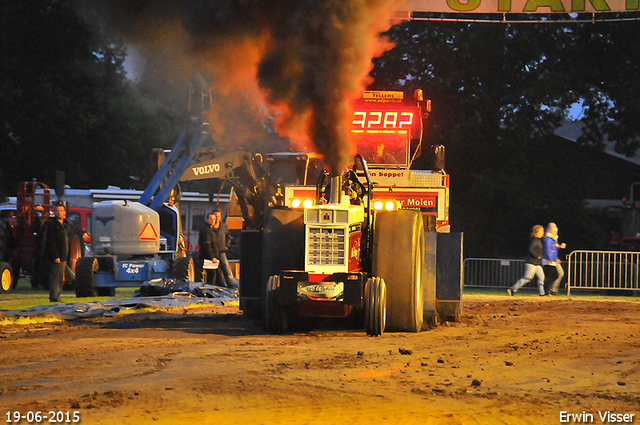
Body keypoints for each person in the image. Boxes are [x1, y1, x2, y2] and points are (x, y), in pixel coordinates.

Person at [508, 225, 546, 296]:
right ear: (537, 232)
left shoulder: (539, 240)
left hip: (537, 263)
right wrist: (537, 256)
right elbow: (531, 250)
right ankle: (512, 289)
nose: (543, 233)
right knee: (527, 278)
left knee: (541, 277)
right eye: (542, 231)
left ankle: (542, 293)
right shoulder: (535, 240)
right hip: (531, 262)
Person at [44, 202, 69, 302]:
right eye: (57, 211)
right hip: (57, 257)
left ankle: (57, 296)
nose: (59, 213)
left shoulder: (64, 225)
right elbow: (50, 242)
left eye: (61, 211)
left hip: (63, 256)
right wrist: (55, 256)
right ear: (55, 212)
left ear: (64, 213)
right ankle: (54, 297)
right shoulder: (52, 225)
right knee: (55, 277)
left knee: (60, 278)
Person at [210, 208, 239, 289]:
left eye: (218, 216)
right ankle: (212, 287)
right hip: (212, 254)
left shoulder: (224, 226)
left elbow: (228, 237)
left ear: (221, 217)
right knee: (213, 273)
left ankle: (232, 288)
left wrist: (226, 245)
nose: (217, 218)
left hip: (221, 252)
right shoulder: (210, 227)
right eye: (215, 216)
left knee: (227, 271)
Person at [542, 222, 567, 296]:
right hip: (550, 260)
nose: (556, 232)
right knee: (553, 275)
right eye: (554, 230)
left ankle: (551, 289)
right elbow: (548, 250)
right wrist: (552, 259)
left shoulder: (553, 239)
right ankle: (550, 290)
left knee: (555, 275)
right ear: (550, 229)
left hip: (553, 259)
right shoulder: (548, 239)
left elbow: (553, 249)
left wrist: (559, 246)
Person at [198, 212, 218, 284]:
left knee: (214, 274)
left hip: (212, 256)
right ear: (207, 219)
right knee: (211, 275)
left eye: (214, 219)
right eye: (211, 219)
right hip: (207, 257)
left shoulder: (211, 229)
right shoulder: (206, 229)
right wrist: (212, 257)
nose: (213, 221)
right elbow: (207, 244)